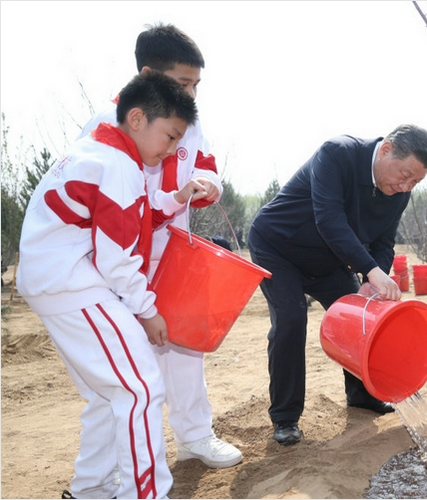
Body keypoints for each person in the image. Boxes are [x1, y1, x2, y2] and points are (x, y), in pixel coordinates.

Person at [16, 72, 197, 499]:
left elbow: (134, 214)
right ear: (137, 118)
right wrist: (147, 310)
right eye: (169, 137)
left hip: (53, 280)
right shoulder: (117, 165)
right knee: (141, 388)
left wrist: (175, 196)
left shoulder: (98, 149)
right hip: (71, 283)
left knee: (107, 393)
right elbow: (116, 259)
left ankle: (90, 490)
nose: (170, 150)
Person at [78, 23, 241, 469]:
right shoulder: (104, 128)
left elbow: (205, 166)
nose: (191, 94)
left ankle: (195, 437)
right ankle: (122, 460)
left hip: (176, 252)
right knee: (130, 356)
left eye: (196, 85)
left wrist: (209, 184)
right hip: (119, 260)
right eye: (182, 83)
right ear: (149, 74)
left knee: (185, 348)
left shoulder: (192, 123)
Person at [248, 124, 427, 446]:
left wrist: (370, 279)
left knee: (362, 320)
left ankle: (361, 395)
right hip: (279, 248)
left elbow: (384, 240)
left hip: (330, 261)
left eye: (415, 181)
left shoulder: (399, 193)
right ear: (386, 149)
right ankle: (285, 417)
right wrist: (371, 270)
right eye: (405, 174)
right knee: (291, 319)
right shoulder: (336, 154)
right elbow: (329, 219)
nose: (406, 185)